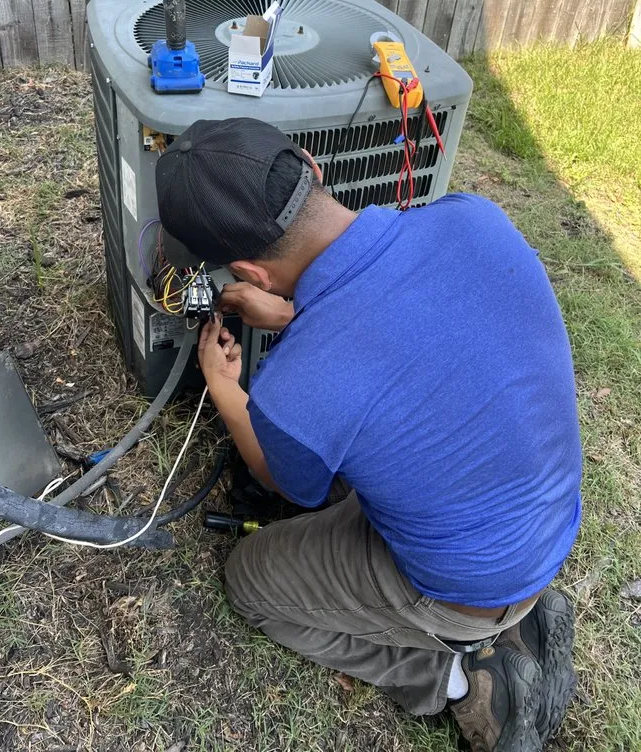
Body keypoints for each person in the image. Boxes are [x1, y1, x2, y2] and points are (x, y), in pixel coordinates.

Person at [155, 117, 582, 752]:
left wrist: (224, 386)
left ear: (249, 272)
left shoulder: (293, 390)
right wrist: (300, 315)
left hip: (463, 588)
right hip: (544, 526)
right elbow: (404, 325)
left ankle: (459, 676)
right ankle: (514, 619)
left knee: (251, 581)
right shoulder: (475, 217)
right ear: (311, 166)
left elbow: (290, 484)